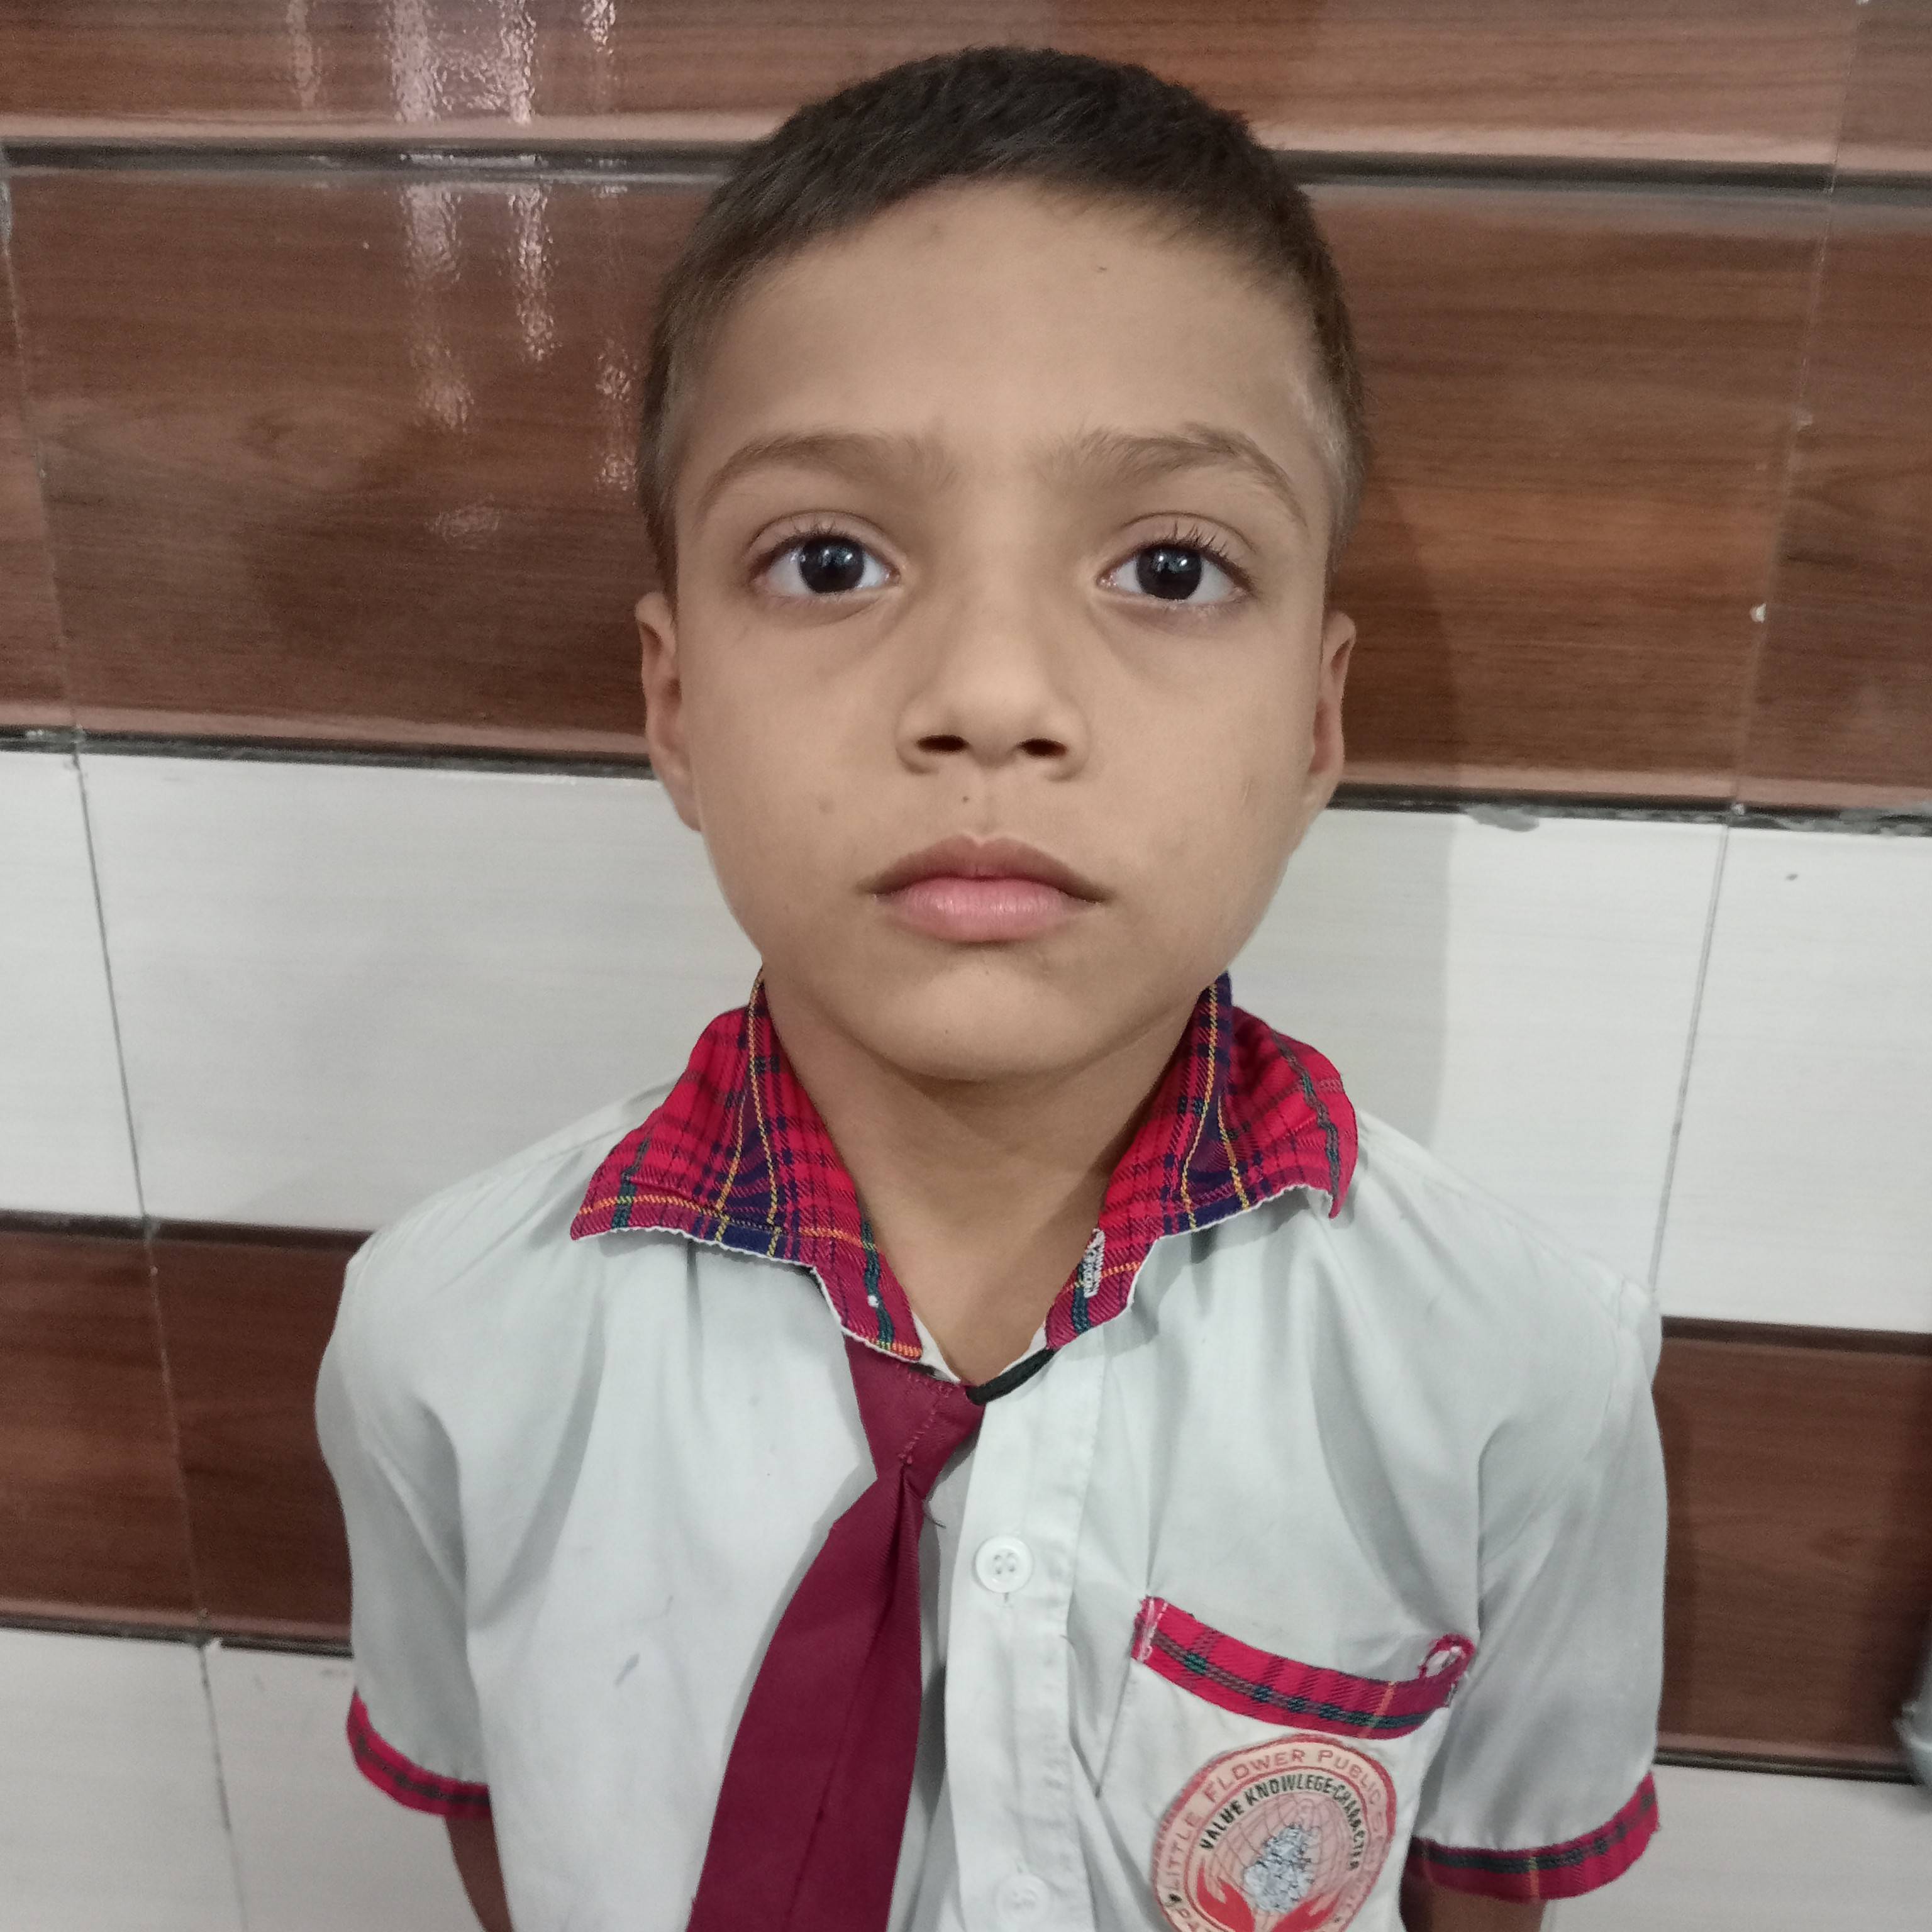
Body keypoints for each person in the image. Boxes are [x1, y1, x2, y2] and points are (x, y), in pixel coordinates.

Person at [316, 45, 1667, 1932]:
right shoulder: (447, 1344)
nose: (993, 694)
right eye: (831, 558)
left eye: (1172, 566)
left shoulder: (1519, 1371)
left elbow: (1480, 1884)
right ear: (676, 705)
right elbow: (493, 1818)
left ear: (1315, 723)